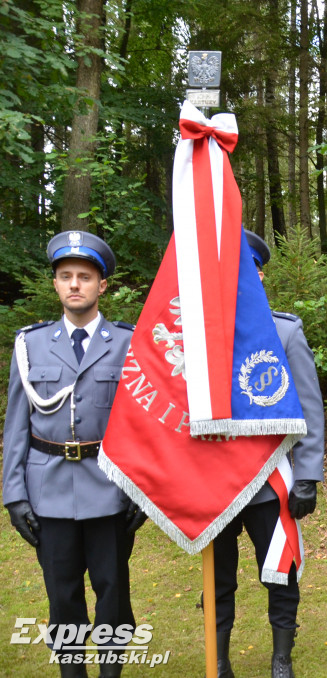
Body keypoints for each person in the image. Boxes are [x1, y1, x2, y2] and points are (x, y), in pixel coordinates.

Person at [3, 231, 145, 678]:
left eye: (85, 276)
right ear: (56, 285)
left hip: (110, 489)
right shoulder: (30, 346)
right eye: (66, 276)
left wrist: (140, 491)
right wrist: (14, 496)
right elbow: (16, 424)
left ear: (102, 285)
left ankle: (110, 673)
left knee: (113, 592)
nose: (75, 284)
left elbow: (143, 424)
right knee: (62, 595)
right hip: (49, 491)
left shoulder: (127, 342)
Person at [210, 230, 325, 678]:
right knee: (218, 577)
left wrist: (309, 476)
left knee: (281, 571)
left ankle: (281, 659)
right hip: (214, 483)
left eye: (246, 270)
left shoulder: (284, 331)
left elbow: (309, 409)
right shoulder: (197, 334)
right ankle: (218, 660)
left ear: (258, 274)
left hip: (267, 480)